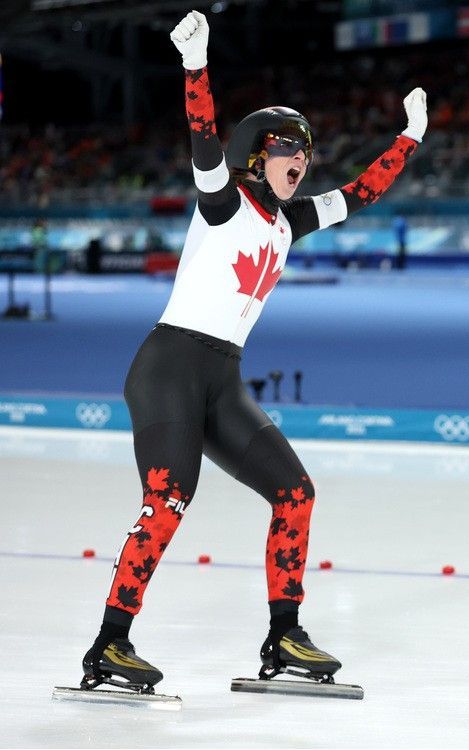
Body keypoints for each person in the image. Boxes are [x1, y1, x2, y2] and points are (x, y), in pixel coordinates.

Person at [78, 10, 427, 694]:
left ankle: (284, 633)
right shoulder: (223, 203)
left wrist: (409, 138)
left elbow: (360, 194)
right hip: (170, 367)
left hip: (221, 377)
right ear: (255, 158)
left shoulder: (289, 221)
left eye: (306, 154)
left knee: (294, 494)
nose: (302, 163)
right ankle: (109, 643)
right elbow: (202, 137)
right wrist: (195, 66)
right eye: (287, 152)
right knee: (168, 499)